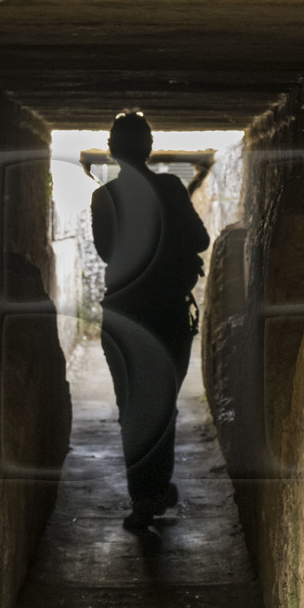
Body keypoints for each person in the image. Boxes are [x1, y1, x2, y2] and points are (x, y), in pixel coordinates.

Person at [91, 110, 211, 528]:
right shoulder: (170, 188)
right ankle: (153, 490)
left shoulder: (103, 197)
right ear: (149, 148)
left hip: (124, 314)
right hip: (167, 313)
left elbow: (106, 251)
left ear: (112, 150)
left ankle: (146, 495)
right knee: (162, 407)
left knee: (133, 407)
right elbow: (200, 239)